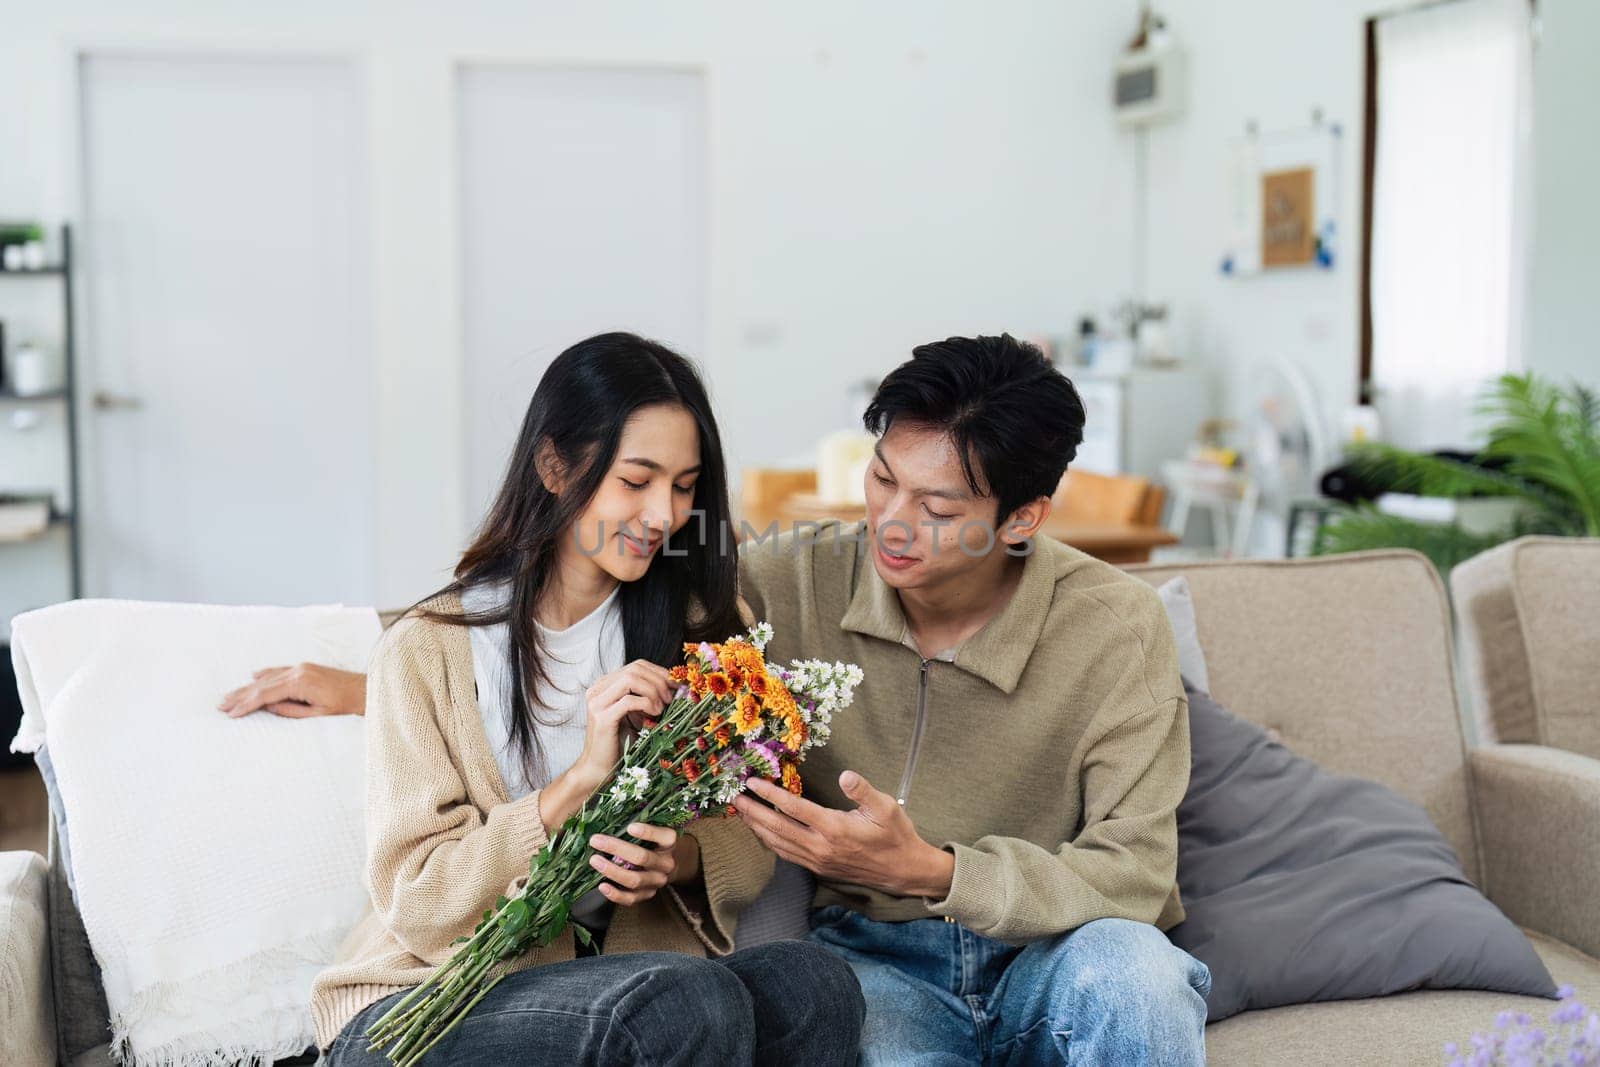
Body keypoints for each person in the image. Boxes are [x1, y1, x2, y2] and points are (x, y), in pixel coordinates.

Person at [308, 332, 862, 1066]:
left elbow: (749, 828)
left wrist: (682, 861)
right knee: (683, 999)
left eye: (686, 484)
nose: (664, 513)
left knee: (814, 983)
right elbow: (416, 899)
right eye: (637, 480)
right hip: (422, 1006)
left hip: (617, 988)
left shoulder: (701, 632)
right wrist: (577, 784)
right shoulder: (426, 650)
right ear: (553, 464)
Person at [731, 335, 1209, 1065]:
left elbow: (1137, 869)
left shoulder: (1118, 624)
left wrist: (936, 871)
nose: (891, 522)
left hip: (1055, 948)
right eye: (883, 479)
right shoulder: (783, 582)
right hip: (871, 962)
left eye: (938, 507)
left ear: (1022, 518)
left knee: (1138, 977)